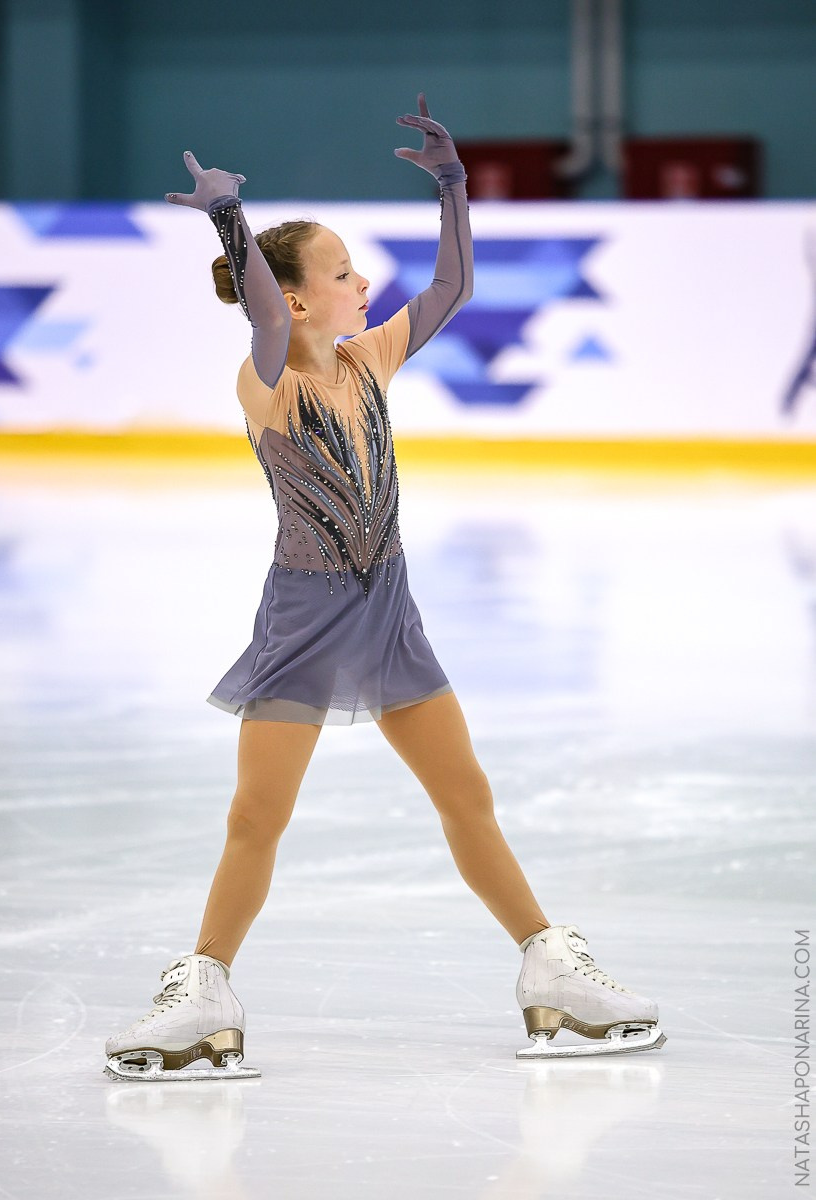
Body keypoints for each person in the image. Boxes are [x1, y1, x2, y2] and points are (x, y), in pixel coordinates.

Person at [104, 95, 665, 1080]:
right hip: (306, 619)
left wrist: (455, 187)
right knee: (255, 817)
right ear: (298, 297)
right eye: (342, 273)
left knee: (468, 795)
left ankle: (548, 969)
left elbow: (452, 283)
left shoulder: (372, 357)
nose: (363, 283)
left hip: (389, 608)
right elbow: (270, 322)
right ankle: (205, 991)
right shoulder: (267, 376)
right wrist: (234, 226)